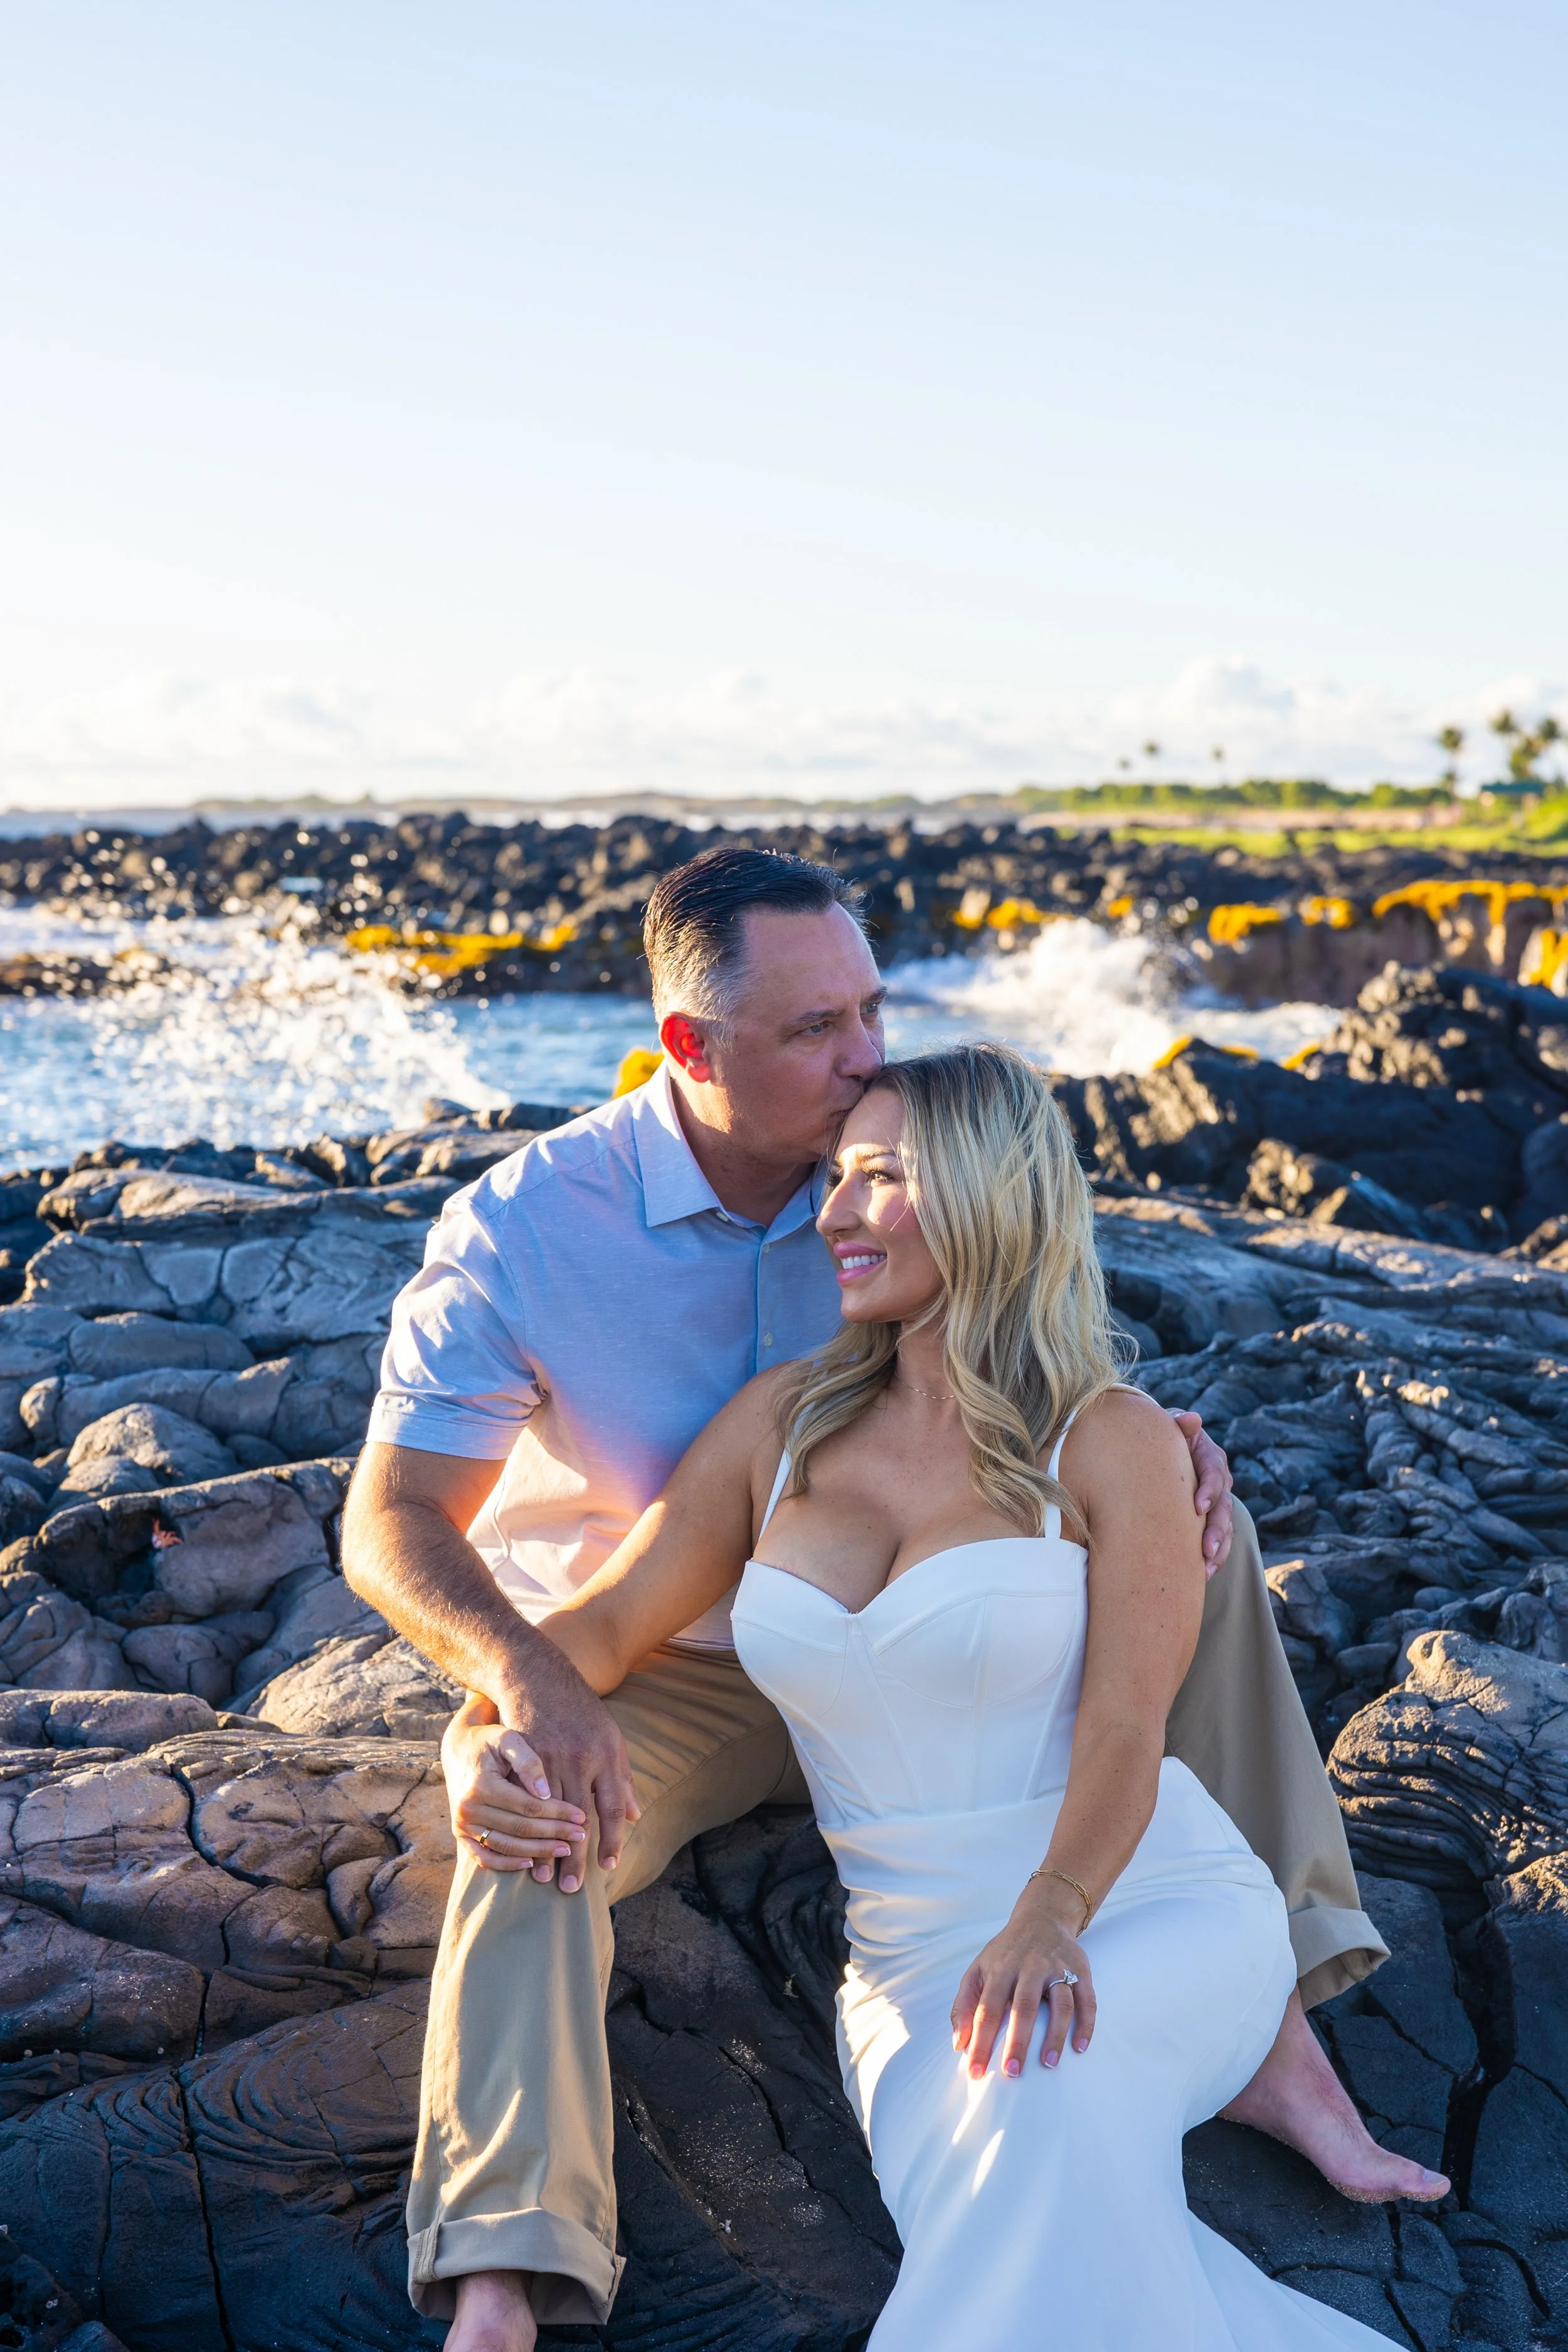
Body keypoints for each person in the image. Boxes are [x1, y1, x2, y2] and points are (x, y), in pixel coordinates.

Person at [339, 846, 1423, 2352]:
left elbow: (1018, 1343)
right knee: (537, 1822)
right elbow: (389, 1519)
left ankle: (1276, 2021)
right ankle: (504, 2267)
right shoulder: (527, 1229)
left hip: (929, 1655)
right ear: (689, 1050)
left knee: (1190, 1521)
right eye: (816, 1031)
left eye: (868, 1007)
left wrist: (1138, 1447)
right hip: (681, 1653)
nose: (864, 1056)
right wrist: (515, 1697)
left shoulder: (891, 1156)